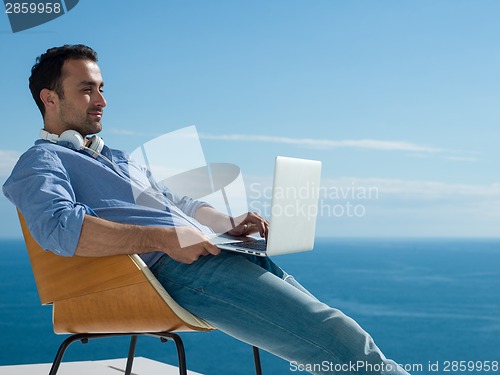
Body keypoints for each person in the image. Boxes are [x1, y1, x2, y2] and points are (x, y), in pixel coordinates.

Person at [3, 44, 409, 375]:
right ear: (49, 98)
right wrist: (164, 238)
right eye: (87, 89)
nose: (102, 100)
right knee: (338, 339)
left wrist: (229, 224)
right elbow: (58, 228)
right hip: (171, 272)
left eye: (102, 88)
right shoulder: (43, 162)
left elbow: (178, 204)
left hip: (208, 253)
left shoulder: (118, 158)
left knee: (334, 331)